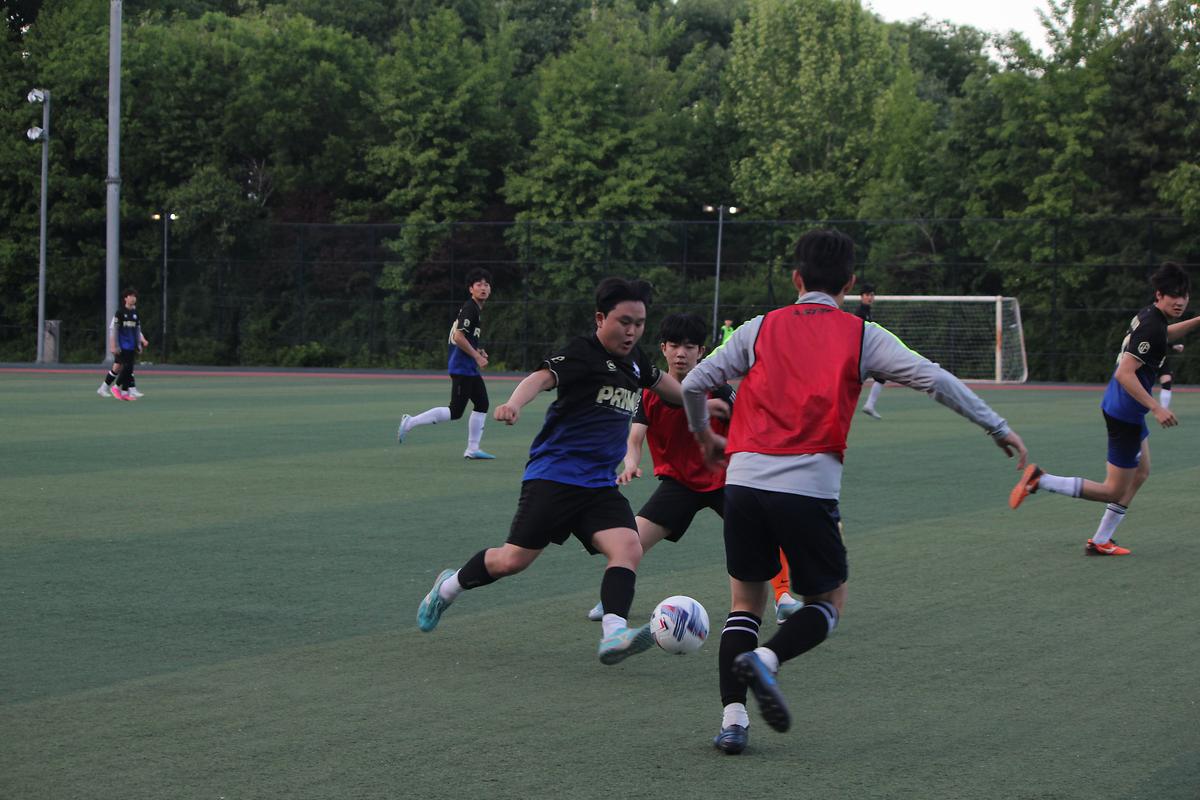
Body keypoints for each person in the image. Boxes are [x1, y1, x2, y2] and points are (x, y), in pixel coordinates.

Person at [681, 229, 1027, 755]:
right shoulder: (862, 335)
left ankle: (733, 722)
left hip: (744, 481)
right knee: (828, 602)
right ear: (850, 283)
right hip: (807, 486)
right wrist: (996, 426)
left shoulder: (759, 327)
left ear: (796, 279)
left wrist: (705, 437)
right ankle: (767, 660)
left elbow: (691, 385)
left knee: (744, 605)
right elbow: (934, 379)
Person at [416, 278, 686, 665]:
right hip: (555, 476)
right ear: (600, 319)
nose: (632, 331)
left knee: (628, 548)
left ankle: (614, 633)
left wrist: (699, 402)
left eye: (639, 323)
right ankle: (447, 588)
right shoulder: (582, 352)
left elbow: (664, 386)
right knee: (512, 560)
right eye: (624, 322)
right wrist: (514, 404)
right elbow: (541, 378)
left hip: (598, 485)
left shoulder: (636, 360)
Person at [583, 313, 803, 625]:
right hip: (679, 483)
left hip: (726, 479)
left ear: (701, 351)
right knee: (629, 541)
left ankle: (783, 598)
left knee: (765, 533)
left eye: (689, 347)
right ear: (663, 348)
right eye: (674, 345)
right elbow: (635, 438)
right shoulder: (651, 392)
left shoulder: (718, 388)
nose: (681, 353)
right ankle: (612, 599)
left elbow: (750, 427)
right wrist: (631, 462)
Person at [1010, 262, 1200, 556]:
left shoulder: (1152, 317)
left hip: (1124, 407)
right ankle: (1040, 480)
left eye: (1184, 295)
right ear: (1159, 295)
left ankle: (1101, 539)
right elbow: (1125, 373)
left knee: (1141, 473)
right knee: (1113, 489)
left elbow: (1163, 336)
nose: (1180, 301)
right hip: (1126, 411)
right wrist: (1156, 407)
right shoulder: (1152, 326)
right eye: (1174, 295)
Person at [397, 268, 496, 459]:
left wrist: (477, 350)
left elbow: (464, 337)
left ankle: (472, 449)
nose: (483, 288)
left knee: (482, 403)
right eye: (479, 284)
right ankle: (410, 422)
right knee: (455, 411)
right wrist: (477, 357)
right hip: (462, 367)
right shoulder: (470, 308)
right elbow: (458, 337)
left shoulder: (474, 309)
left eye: (486, 284)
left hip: (468, 367)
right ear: (471, 289)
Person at [98, 288, 148, 401]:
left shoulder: (135, 314)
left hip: (131, 346)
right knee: (126, 367)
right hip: (121, 346)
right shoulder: (120, 313)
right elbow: (113, 330)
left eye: (134, 296)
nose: (133, 298)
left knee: (124, 368)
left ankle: (121, 391)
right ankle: (120, 388)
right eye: (131, 296)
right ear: (125, 298)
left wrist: (140, 343)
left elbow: (137, 330)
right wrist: (113, 345)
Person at [856, 283, 884, 419]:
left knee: (881, 376)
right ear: (861, 296)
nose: (870, 297)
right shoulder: (860, 313)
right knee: (852, 382)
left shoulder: (867, 311)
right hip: (861, 353)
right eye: (867, 295)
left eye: (872, 295)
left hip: (867, 353)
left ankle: (870, 405)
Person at [1157, 344, 1184, 409]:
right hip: (1145, 358)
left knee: (1166, 382)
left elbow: (1162, 340)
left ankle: (1164, 410)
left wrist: (1173, 346)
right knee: (1143, 384)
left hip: (1161, 359)